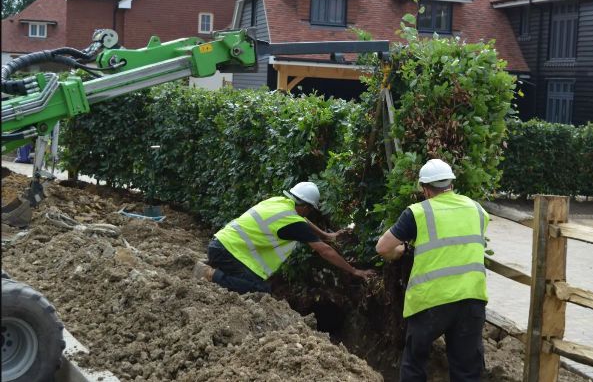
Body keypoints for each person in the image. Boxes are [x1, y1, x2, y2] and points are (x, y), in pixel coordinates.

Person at [375, 159, 489, 382]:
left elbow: (383, 247)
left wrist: (399, 251)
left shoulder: (418, 213)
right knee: (467, 370)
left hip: (431, 301)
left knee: (414, 363)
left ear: (424, 188)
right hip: (471, 298)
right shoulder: (477, 209)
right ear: (451, 184)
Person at [193, 181, 375, 293]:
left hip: (220, 245)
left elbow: (302, 220)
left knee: (252, 281)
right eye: (311, 209)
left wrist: (327, 235)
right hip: (230, 253)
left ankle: (215, 264)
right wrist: (354, 271)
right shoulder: (292, 222)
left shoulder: (279, 203)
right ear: (305, 206)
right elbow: (324, 251)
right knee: (259, 290)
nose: (309, 213)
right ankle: (210, 274)